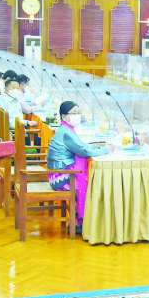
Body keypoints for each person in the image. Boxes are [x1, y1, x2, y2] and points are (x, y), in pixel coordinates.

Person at [47, 101, 110, 235]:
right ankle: (78, 222)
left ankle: (80, 220)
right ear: (64, 117)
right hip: (59, 179)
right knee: (87, 184)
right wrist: (105, 150)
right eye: (74, 113)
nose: (77, 115)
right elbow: (83, 151)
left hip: (58, 173)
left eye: (78, 112)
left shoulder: (66, 129)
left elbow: (81, 146)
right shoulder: (66, 132)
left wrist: (95, 147)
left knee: (86, 178)